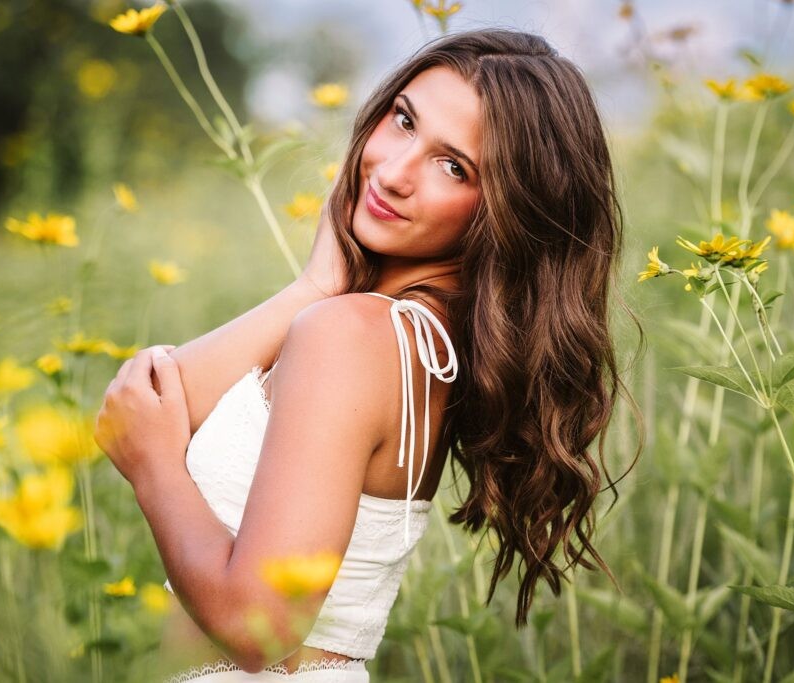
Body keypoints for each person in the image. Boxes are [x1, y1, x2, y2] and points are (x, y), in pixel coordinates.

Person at [94, 27, 635, 683]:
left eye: (453, 165)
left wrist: (154, 468)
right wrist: (316, 284)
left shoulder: (352, 336)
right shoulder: (414, 338)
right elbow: (142, 405)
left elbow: (256, 627)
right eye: (403, 120)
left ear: (507, 211)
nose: (394, 171)